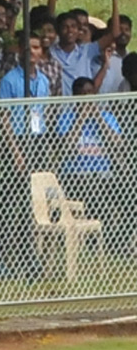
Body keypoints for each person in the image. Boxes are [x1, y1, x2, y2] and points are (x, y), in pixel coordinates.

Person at [0, 32, 51, 280]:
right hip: (15, 143)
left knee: (30, 205)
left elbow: (43, 113)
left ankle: (28, 257)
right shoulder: (11, 80)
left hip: (35, 141)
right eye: (28, 47)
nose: (32, 52)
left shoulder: (43, 81)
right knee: (8, 204)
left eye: (36, 47)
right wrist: (15, 152)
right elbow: (3, 117)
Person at [55, 77, 125, 254]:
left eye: (91, 93)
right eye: (83, 94)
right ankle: (87, 242)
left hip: (102, 175)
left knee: (117, 195)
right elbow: (66, 148)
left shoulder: (107, 117)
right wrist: (81, 119)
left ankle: (111, 243)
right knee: (93, 193)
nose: (88, 98)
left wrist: (99, 120)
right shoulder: (66, 118)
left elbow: (119, 144)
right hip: (75, 176)